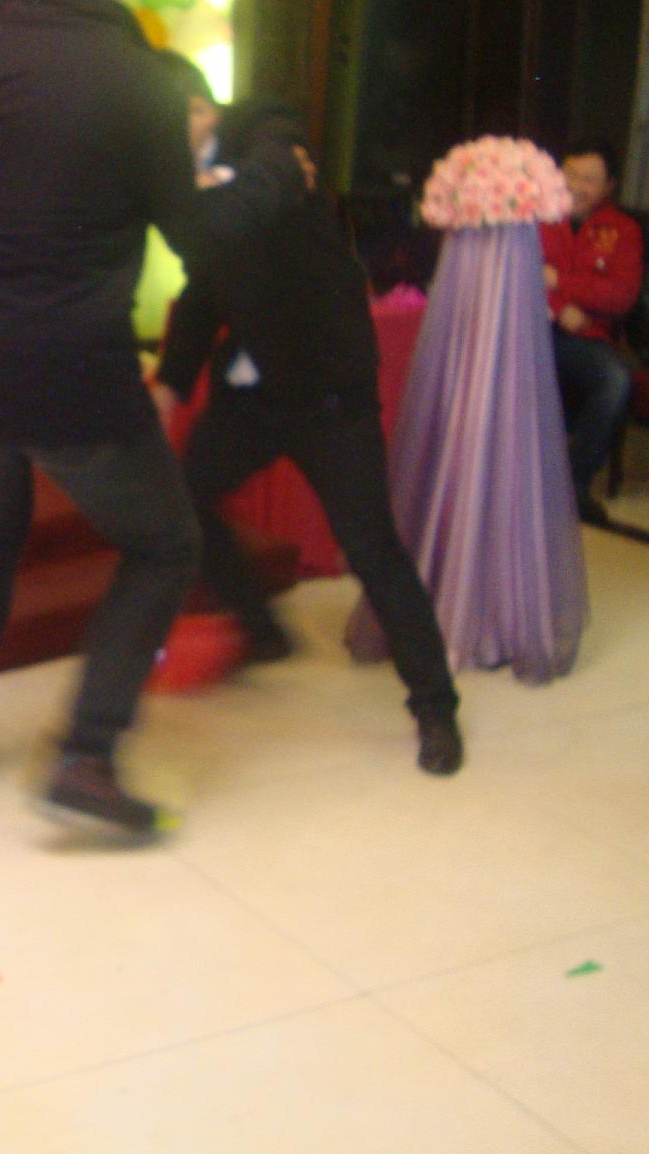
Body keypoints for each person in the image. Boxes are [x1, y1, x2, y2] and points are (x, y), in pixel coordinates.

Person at [0, 0, 205, 839]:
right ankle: (87, 755)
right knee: (164, 544)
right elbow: (190, 233)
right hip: (72, 363)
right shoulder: (141, 81)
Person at [151, 80, 464, 776]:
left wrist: (204, 193)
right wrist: (171, 381)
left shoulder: (266, 128)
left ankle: (436, 707)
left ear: (202, 109)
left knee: (372, 547)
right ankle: (261, 629)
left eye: (173, 118)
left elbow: (270, 176)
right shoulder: (183, 182)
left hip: (329, 392)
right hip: (255, 391)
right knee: (186, 497)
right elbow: (204, 292)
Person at [539, 140, 643, 526]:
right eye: (572, 174)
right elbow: (520, 274)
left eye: (590, 180)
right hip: (535, 328)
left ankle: (572, 486)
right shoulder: (537, 215)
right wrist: (557, 307)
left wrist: (559, 282)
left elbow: (620, 296)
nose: (577, 186)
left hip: (588, 338)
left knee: (616, 379)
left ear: (608, 186)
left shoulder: (624, 230)